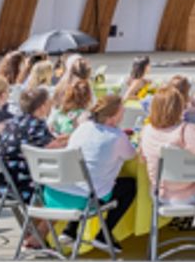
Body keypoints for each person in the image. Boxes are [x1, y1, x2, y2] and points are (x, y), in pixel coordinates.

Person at [38, 94, 137, 248]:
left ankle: (70, 230)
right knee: (129, 186)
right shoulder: (117, 136)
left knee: (85, 179)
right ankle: (104, 234)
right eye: (122, 112)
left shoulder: (83, 128)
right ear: (113, 116)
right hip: (82, 200)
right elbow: (131, 155)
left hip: (53, 195)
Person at [0, 86, 67, 213]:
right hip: (18, 186)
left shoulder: (15, 121)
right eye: (49, 103)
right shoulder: (36, 125)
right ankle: (37, 231)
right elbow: (51, 150)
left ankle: (34, 230)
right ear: (43, 106)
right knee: (64, 190)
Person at [140, 88, 195, 208]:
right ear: (179, 108)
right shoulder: (183, 131)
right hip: (188, 195)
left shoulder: (146, 130)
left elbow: (142, 158)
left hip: (159, 194)